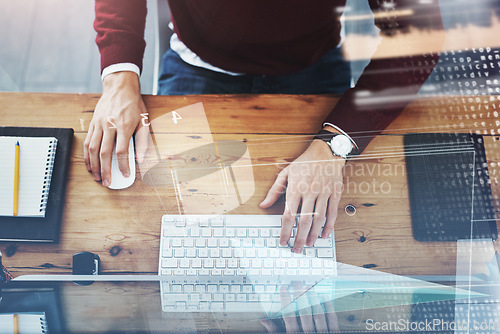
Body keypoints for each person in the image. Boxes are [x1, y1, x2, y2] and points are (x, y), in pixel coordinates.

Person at [88, 0, 443, 254]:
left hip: (313, 65)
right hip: (196, 64)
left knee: (332, 228)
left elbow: (419, 35)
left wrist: (337, 142)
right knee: (162, 221)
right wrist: (119, 75)